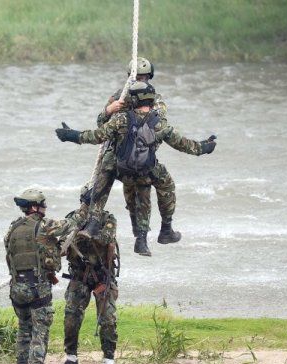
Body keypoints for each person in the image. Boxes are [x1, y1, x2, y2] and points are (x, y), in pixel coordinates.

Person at [55, 80, 216, 256]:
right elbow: (185, 145)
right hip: (144, 171)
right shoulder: (159, 124)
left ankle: (93, 223)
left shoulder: (121, 119)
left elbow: (96, 136)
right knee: (164, 186)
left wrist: (70, 135)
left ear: (133, 100)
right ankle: (156, 234)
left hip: (119, 168)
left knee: (104, 173)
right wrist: (205, 147)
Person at [96, 57, 182, 253]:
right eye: (138, 77)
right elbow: (101, 124)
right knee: (132, 194)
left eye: (144, 77)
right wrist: (110, 110)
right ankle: (145, 232)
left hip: (141, 155)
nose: (142, 80)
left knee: (143, 193)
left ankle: (147, 235)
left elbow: (158, 123)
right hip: (123, 156)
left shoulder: (154, 99)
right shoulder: (119, 97)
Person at [3, 188, 86, 364]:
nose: (45, 207)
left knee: (24, 329)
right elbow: (72, 224)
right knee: (40, 333)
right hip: (37, 288)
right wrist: (85, 205)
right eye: (43, 204)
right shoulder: (44, 226)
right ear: (34, 207)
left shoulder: (13, 228)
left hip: (17, 287)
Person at [57, 198, 120, 364]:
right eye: (86, 203)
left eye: (93, 203)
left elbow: (106, 237)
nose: (89, 206)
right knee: (71, 318)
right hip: (79, 276)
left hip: (102, 277)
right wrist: (73, 230)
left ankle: (109, 363)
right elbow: (62, 242)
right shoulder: (73, 219)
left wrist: (87, 232)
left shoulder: (107, 219)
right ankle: (71, 359)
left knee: (108, 320)